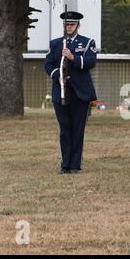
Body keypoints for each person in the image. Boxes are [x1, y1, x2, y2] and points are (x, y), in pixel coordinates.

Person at [45, 11, 97, 174]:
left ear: (78, 26)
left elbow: (90, 61)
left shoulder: (88, 42)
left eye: (72, 24)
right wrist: (57, 76)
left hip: (80, 93)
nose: (69, 27)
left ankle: (75, 164)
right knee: (65, 129)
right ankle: (65, 164)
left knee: (77, 129)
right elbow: (48, 64)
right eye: (67, 24)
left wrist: (72, 57)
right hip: (61, 91)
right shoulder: (55, 44)